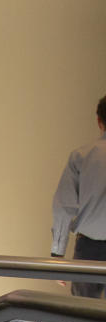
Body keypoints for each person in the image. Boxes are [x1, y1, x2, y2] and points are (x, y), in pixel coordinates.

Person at [50, 94, 106, 298]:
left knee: (84, 314)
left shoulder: (81, 156)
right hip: (87, 247)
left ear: (99, 121)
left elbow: (63, 207)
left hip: (88, 248)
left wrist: (57, 255)